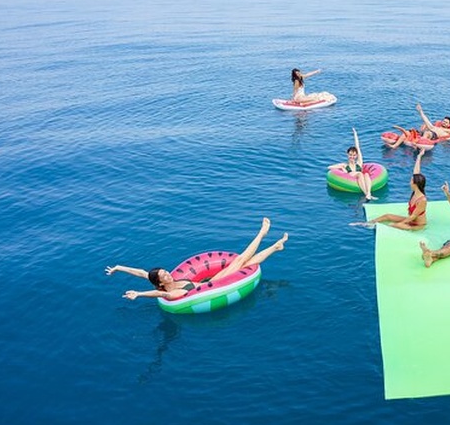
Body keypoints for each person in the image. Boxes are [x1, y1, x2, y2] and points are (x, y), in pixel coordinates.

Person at [106, 217, 288, 300]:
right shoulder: (173, 293)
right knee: (241, 260)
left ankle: (275, 246)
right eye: (165, 276)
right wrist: (139, 294)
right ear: (160, 282)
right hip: (216, 285)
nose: (169, 274)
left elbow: (141, 273)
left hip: (212, 280)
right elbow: (160, 294)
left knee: (246, 262)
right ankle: (262, 234)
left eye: (166, 272)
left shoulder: (168, 280)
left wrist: (119, 267)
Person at [351, 147, 428, 230]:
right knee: (387, 216)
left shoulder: (422, 200)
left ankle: (380, 227)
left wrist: (399, 223)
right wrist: (419, 157)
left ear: (415, 184)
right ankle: (367, 223)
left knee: (394, 225)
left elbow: (413, 217)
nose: (409, 182)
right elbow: (416, 172)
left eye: (411, 181)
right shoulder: (415, 191)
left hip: (418, 225)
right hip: (410, 220)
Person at [328, 127, 377, 200]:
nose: (352, 157)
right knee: (360, 174)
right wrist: (342, 169)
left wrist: (355, 134)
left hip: (360, 178)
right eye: (350, 155)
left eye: (354, 155)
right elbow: (329, 167)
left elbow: (358, 147)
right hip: (352, 177)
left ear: (356, 155)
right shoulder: (345, 165)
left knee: (366, 174)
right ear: (347, 155)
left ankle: (369, 193)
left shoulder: (359, 163)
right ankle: (366, 194)